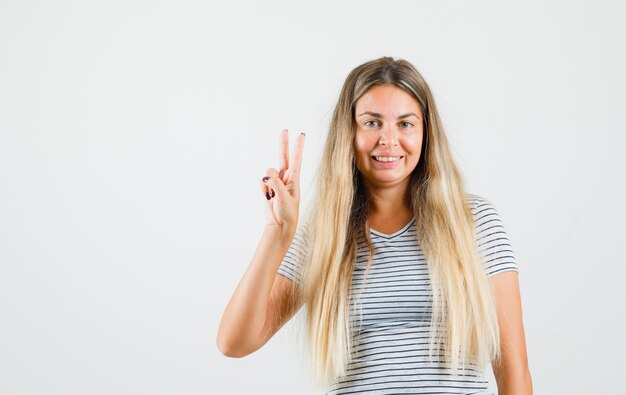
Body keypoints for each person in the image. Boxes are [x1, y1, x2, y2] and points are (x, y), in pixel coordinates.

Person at [217, 56, 532, 394]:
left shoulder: (473, 223)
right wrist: (277, 233)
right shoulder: (324, 234)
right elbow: (234, 343)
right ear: (348, 133)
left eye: (406, 124)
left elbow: (514, 374)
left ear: (426, 133)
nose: (389, 140)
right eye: (372, 123)